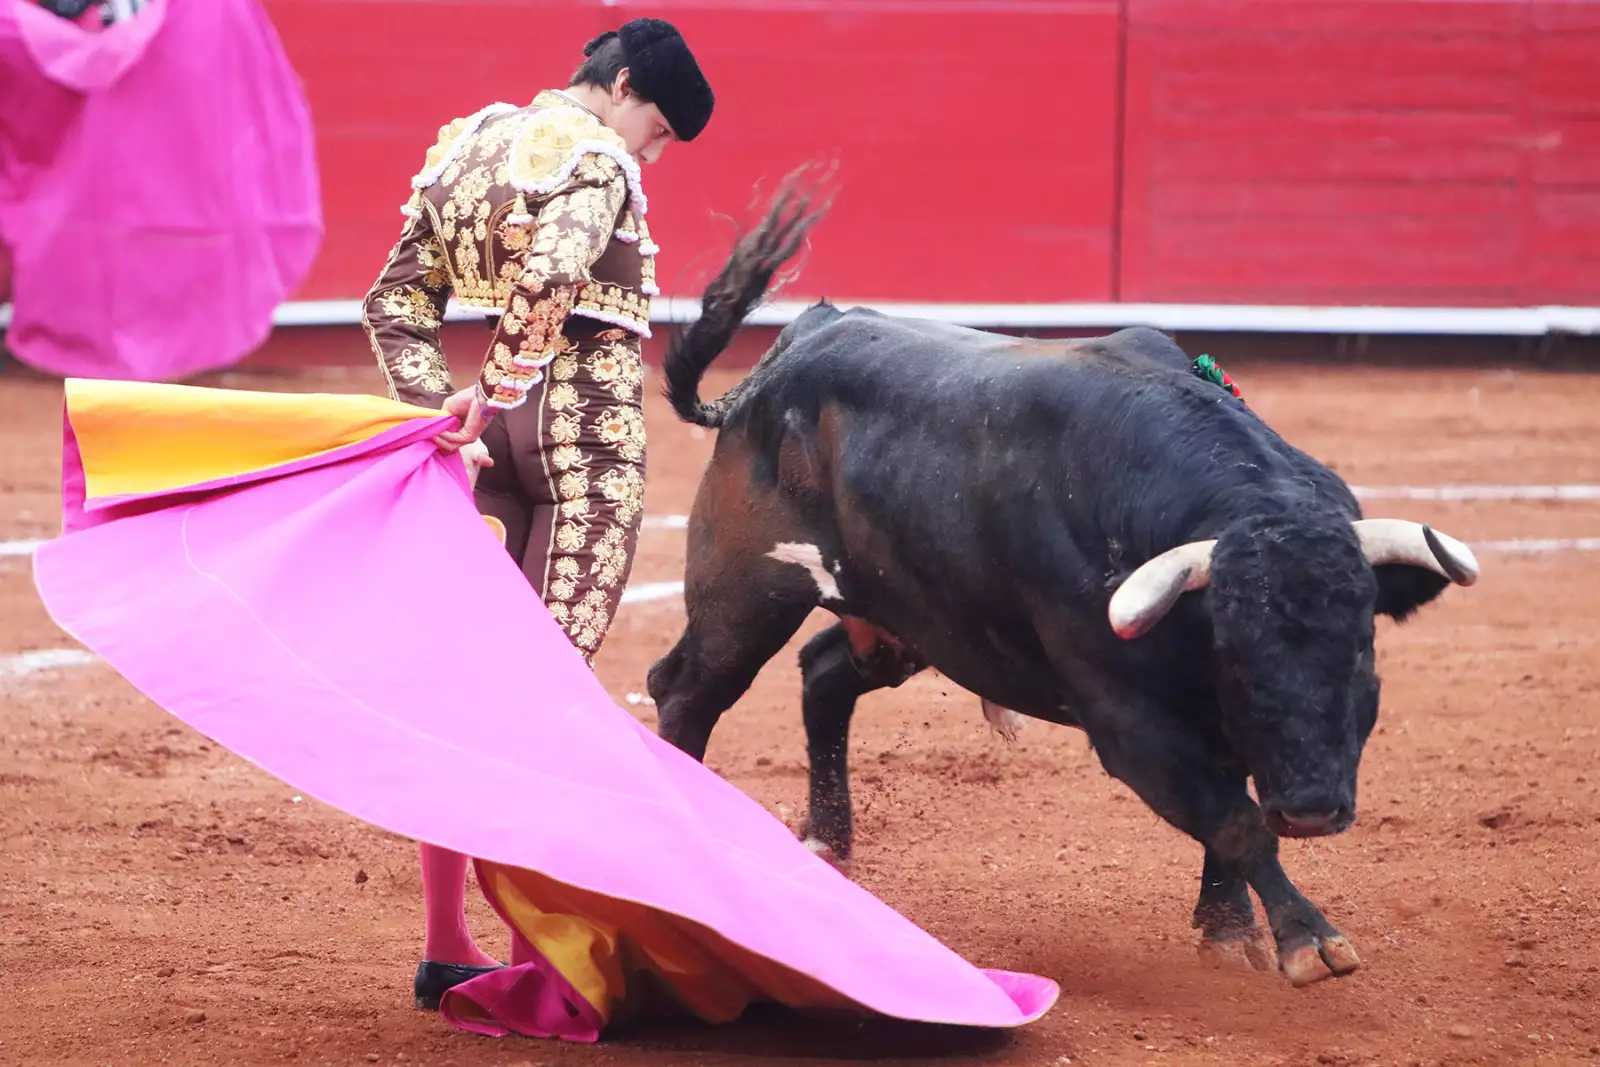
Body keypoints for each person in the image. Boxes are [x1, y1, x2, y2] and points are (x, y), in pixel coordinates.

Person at [360, 17, 714, 1010]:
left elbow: (395, 297)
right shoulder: (599, 158)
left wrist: (450, 404)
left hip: (484, 443)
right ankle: (544, 946)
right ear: (626, 80)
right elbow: (555, 274)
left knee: (468, 686)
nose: (652, 151)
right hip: (579, 431)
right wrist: (508, 379)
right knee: (538, 691)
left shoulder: (465, 142)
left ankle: (446, 940)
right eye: (657, 126)